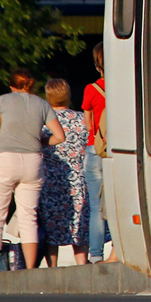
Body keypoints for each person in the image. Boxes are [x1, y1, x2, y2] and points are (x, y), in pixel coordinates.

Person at [0, 69, 64, 273]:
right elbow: (60, 136)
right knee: (28, 216)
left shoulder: (3, 100)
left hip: (4, 159)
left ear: (12, 86)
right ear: (30, 85)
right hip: (33, 162)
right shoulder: (42, 103)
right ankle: (29, 269)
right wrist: (42, 141)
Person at [38, 79, 90, 267]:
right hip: (76, 177)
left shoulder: (43, 122)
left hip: (49, 179)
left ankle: (52, 266)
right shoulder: (82, 119)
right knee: (78, 222)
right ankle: (82, 262)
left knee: (51, 225)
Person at [81, 43, 116, 263]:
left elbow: (88, 123)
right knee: (116, 203)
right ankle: (117, 251)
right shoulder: (120, 88)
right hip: (116, 151)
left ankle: (95, 255)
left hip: (95, 148)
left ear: (97, 66)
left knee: (96, 207)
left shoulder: (90, 89)